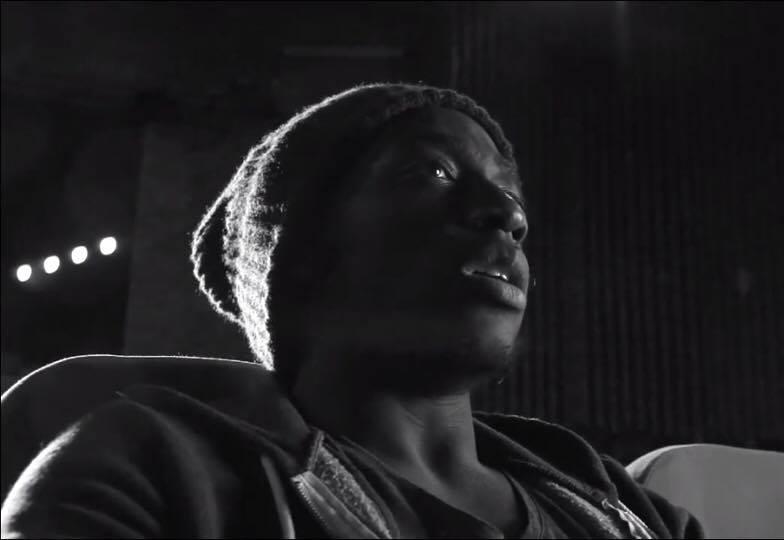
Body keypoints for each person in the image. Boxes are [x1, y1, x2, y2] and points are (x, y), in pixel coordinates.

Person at [0, 83, 703, 538]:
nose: (507, 215)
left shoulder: (628, 510)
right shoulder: (157, 471)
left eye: (510, 193)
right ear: (302, 251)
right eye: (431, 171)